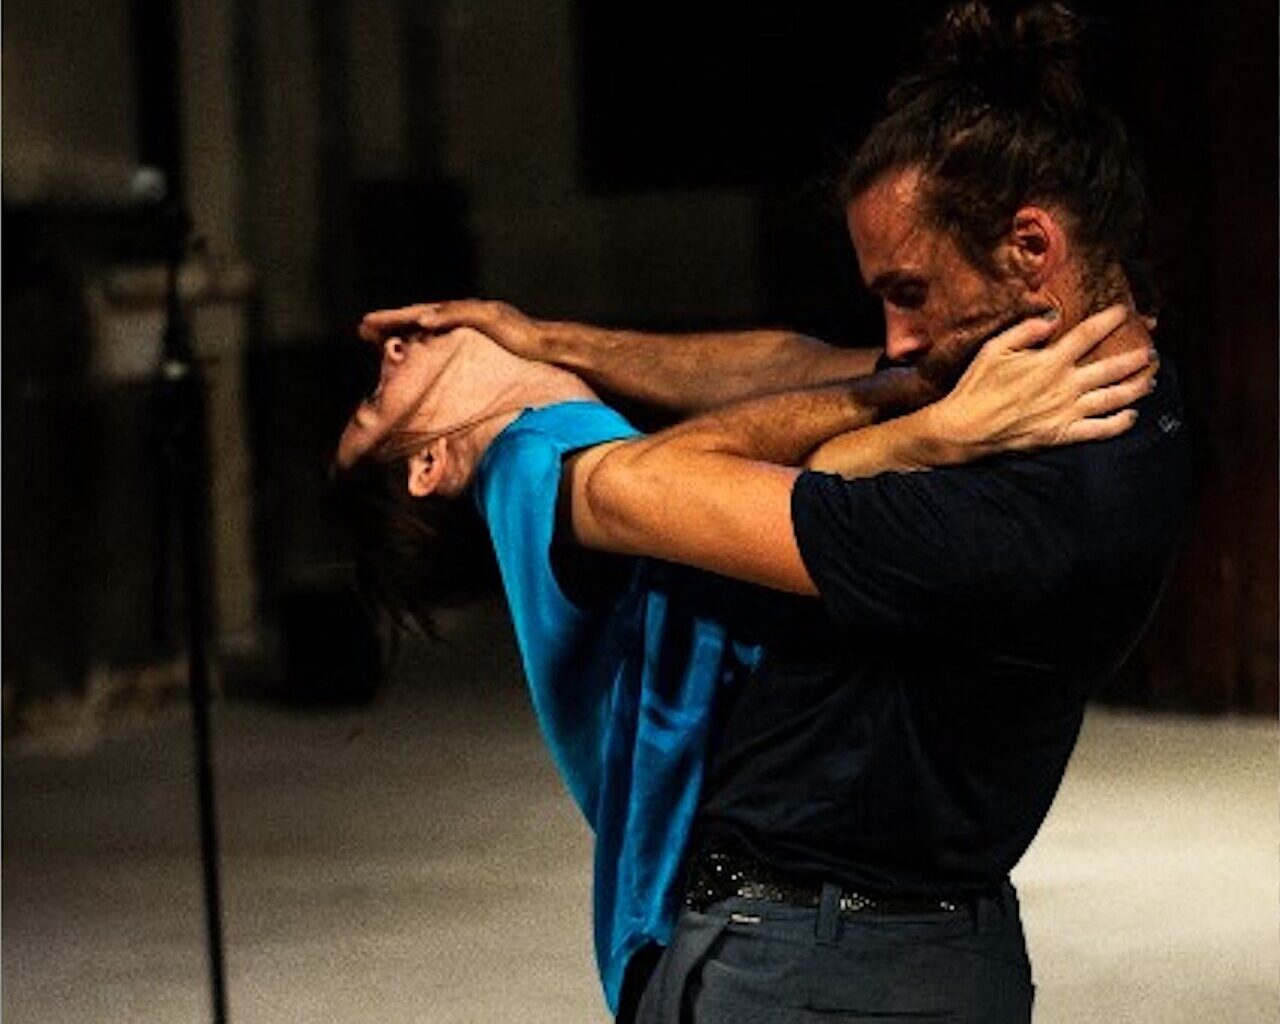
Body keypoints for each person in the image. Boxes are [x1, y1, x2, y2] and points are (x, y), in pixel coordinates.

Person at [356, 4, 1191, 1020]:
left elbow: (622, 487)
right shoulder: (1093, 388)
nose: (896, 339)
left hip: (815, 972)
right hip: (884, 948)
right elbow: (792, 364)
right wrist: (546, 338)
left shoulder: (1010, 507)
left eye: (909, 292)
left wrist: (908, 426)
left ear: (1029, 246)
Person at [333, 305, 1150, 1018]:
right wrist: (934, 422)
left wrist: (540, 334)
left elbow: (782, 375)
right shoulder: (523, 462)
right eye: (376, 401)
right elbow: (708, 485)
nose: (394, 346)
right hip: (716, 922)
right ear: (428, 465)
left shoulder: (560, 446)